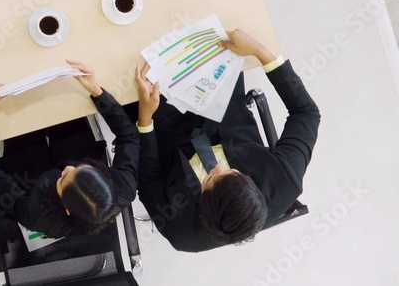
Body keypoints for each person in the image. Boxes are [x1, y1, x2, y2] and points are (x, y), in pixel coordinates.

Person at [133, 29, 321, 252]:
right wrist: (260, 52)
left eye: (211, 177)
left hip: (161, 129)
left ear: (202, 204)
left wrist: (145, 119)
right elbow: (305, 112)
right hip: (222, 100)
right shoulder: (283, 180)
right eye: (231, 172)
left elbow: (147, 179)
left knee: (130, 59)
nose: (219, 166)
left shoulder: (180, 230)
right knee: (202, 25)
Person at [0, 60, 138, 238]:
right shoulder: (123, 188)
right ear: (104, 178)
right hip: (78, 152)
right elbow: (129, 137)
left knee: (18, 115)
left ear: (66, 210)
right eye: (80, 170)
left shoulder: (36, 215)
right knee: (59, 105)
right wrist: (97, 91)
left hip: (32, 180)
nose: (67, 169)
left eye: (64, 178)